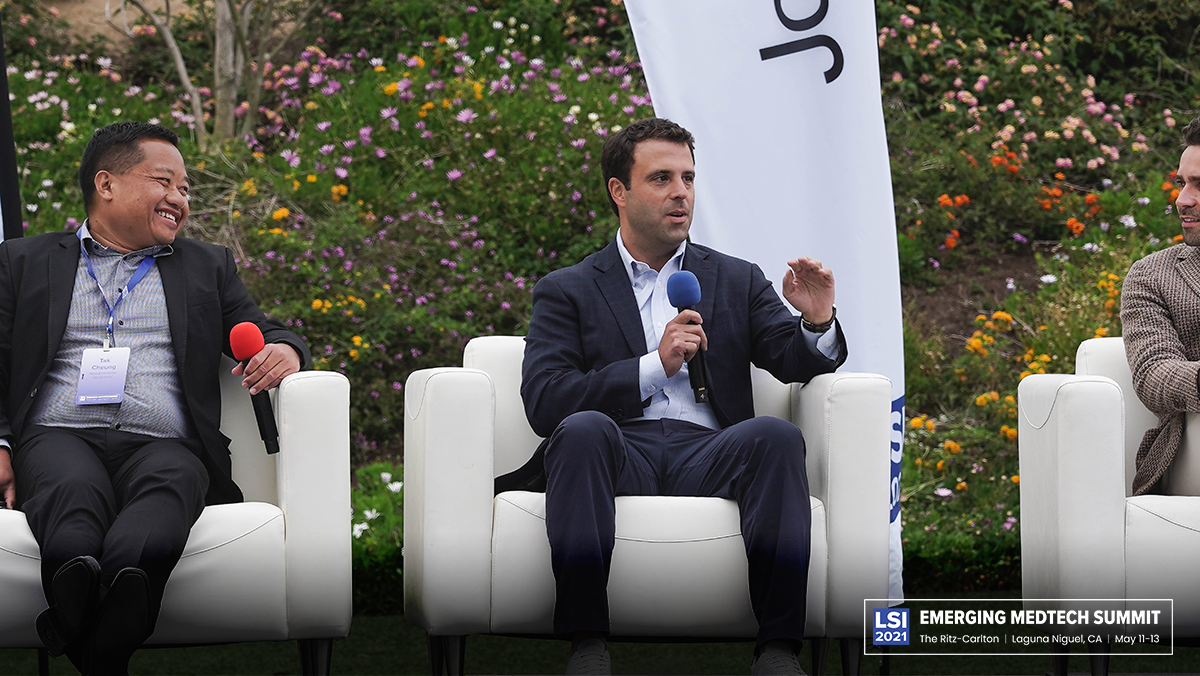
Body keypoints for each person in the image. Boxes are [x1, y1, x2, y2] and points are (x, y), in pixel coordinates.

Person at [519, 117, 846, 676]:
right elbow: (546, 400)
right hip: (618, 450)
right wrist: (654, 367)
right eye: (661, 178)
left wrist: (816, 322)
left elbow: (793, 359)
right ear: (619, 191)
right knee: (582, 430)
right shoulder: (567, 288)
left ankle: (777, 652)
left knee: (775, 436)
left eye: (688, 179)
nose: (681, 193)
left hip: (710, 452)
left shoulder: (735, 279)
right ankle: (587, 645)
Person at [0, 121, 310, 674]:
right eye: (164, 182)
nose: (179, 199)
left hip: (164, 442)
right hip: (59, 434)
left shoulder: (207, 266)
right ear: (106, 184)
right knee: (70, 490)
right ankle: (96, 608)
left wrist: (286, 350)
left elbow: (265, 330)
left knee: (171, 484)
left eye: (184, 189)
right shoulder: (21, 262)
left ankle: (81, 620)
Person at [1122, 115, 1200, 495]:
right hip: (1191, 446)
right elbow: (1152, 372)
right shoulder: (1152, 275)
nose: (1182, 199)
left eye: (1199, 185)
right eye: (1182, 183)